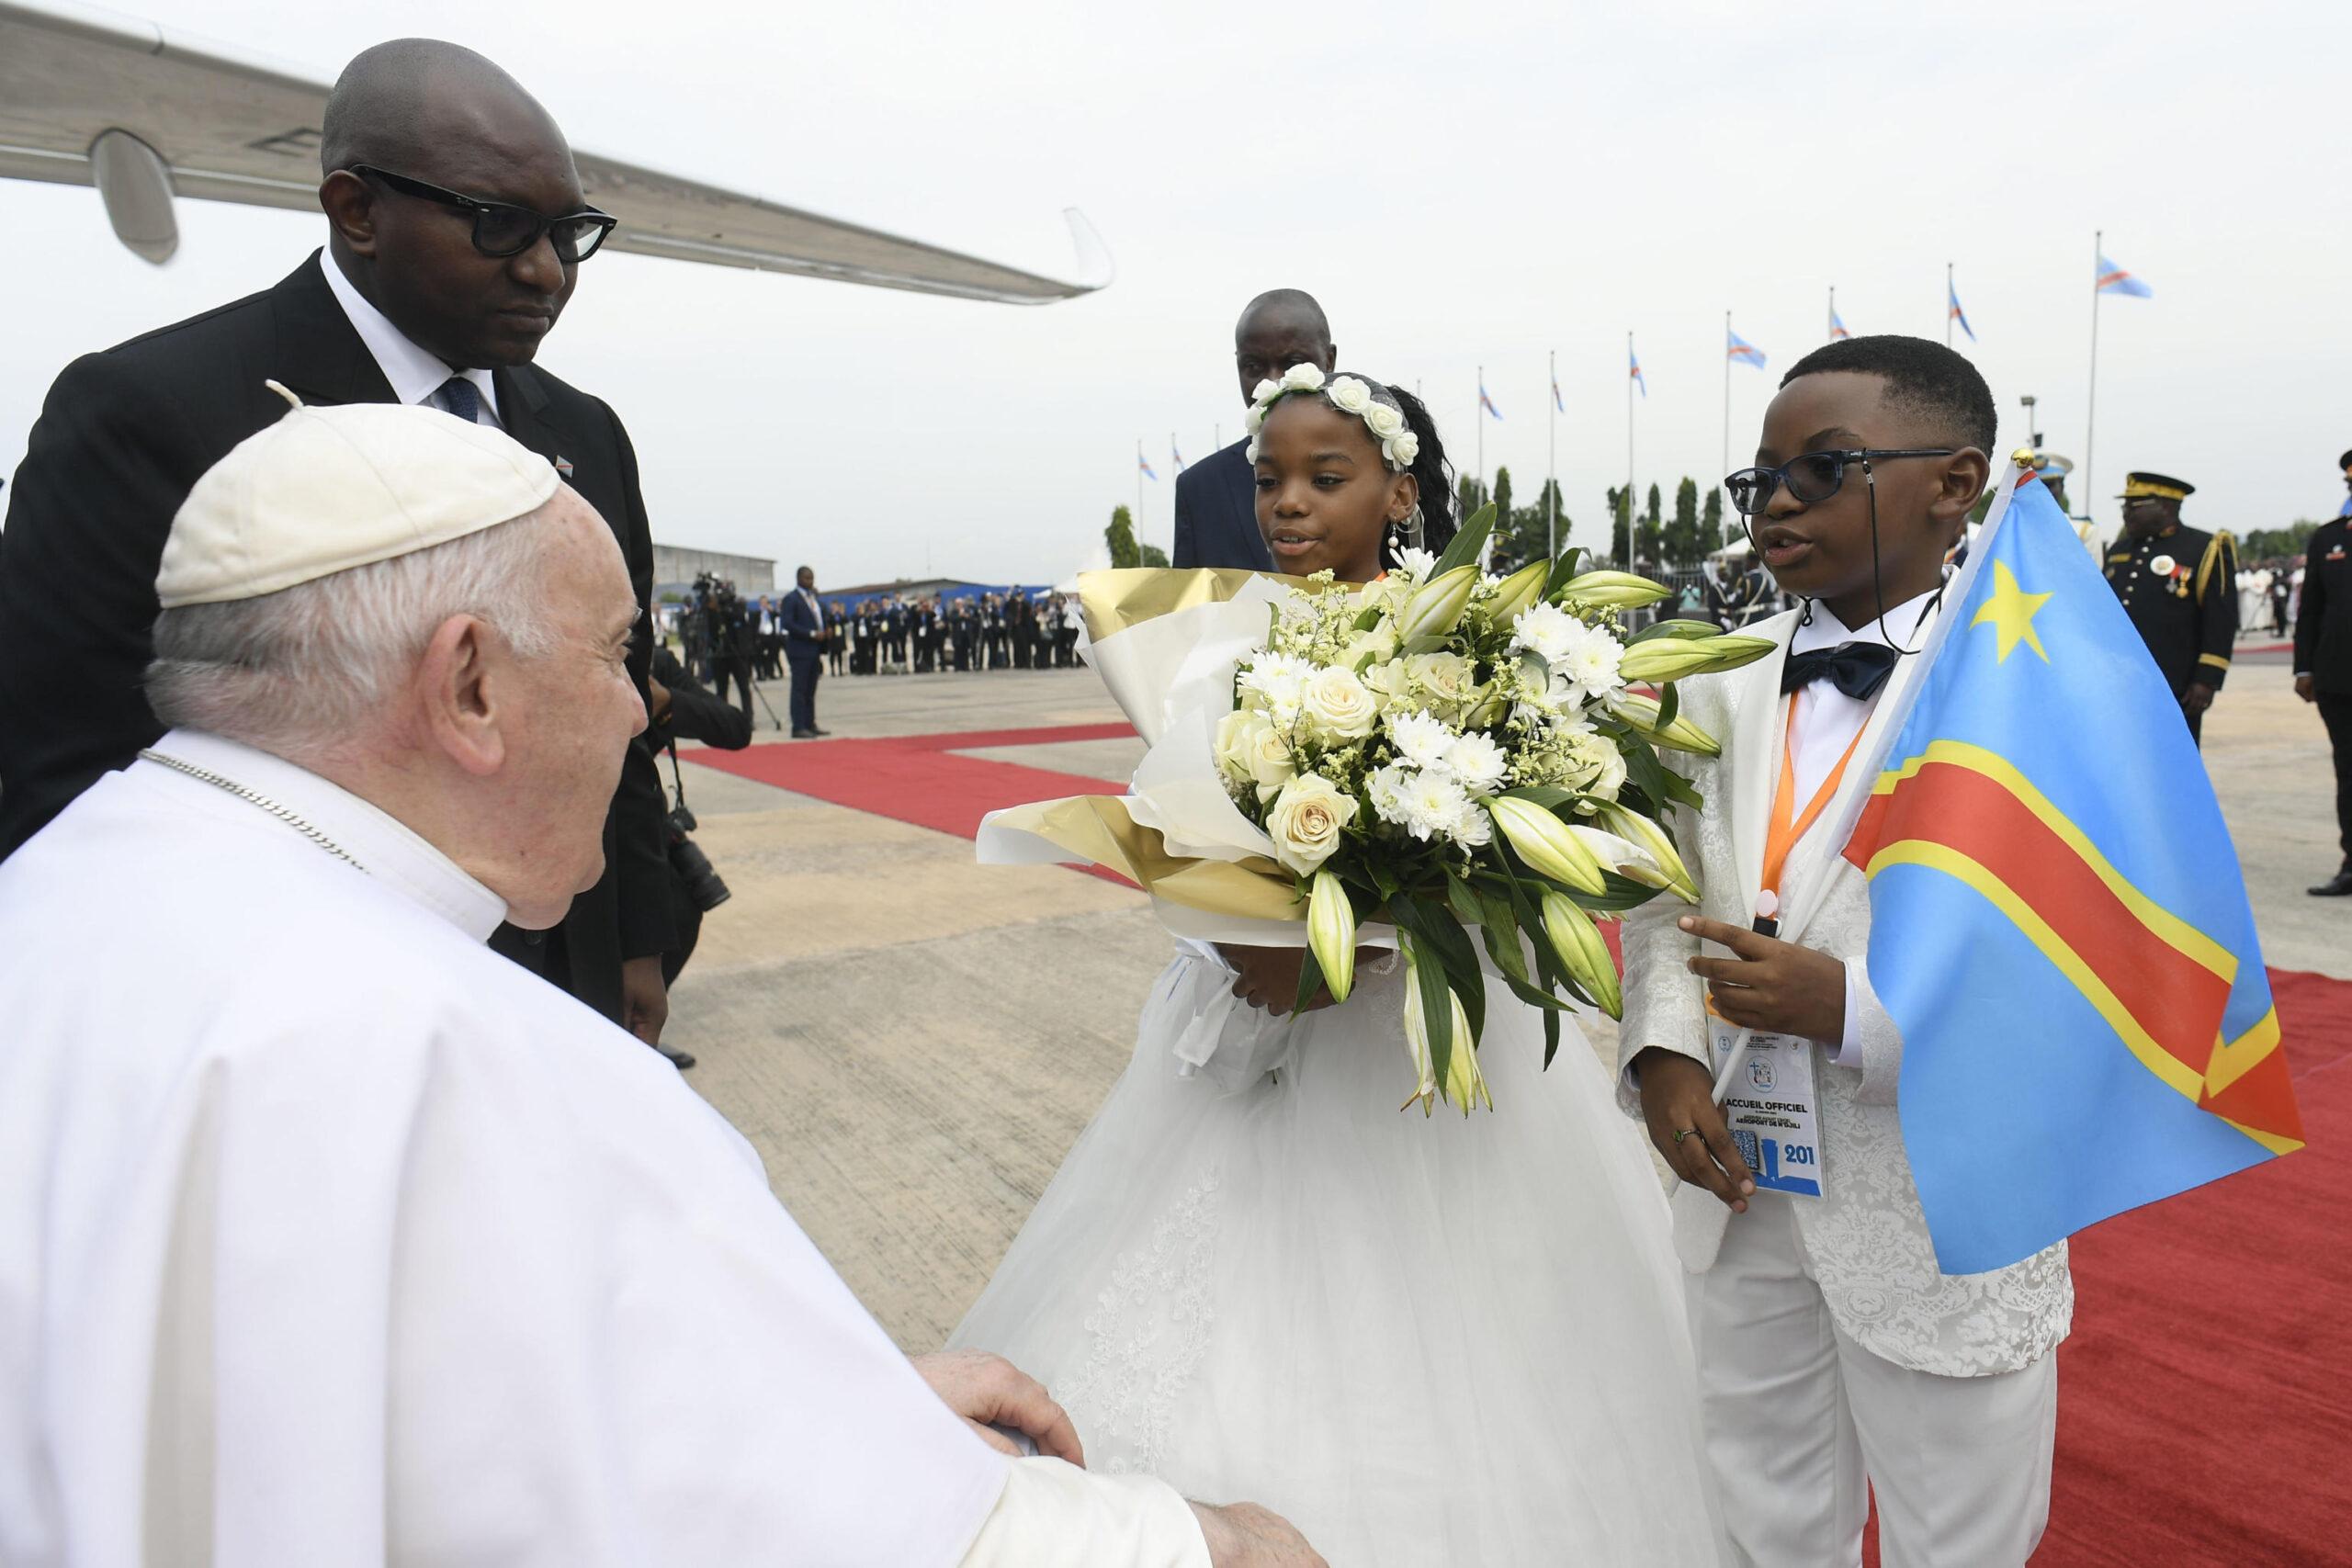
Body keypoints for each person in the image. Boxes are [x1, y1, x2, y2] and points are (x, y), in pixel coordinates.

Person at [0, 398, 1324, 1568]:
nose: (646, 707)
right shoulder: (486, 1059)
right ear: (467, 681)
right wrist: (1211, 1543)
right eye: (615, 653)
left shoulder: (68, 888)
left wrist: (840, 1392)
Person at [954, 371, 1725, 1565]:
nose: (1287, 505)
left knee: (1471, 1329)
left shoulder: (1479, 648)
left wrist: (1408, 919)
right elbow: (1180, 808)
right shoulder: (1222, 643)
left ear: (1401, 490)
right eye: (1269, 480)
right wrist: (1236, 935)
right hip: (1260, 1020)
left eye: (1325, 477)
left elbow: (1514, 836)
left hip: (1413, 1042)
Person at [0, 37, 677, 1047]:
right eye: (499, 227)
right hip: (285, 1019)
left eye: (569, 233)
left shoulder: (582, 433)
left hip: (553, 991)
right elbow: (63, 769)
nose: (546, 271)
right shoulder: (152, 414)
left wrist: (633, 935)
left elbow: (605, 711)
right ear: (358, 211)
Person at [1624, 336, 2072, 1567]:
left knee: (1959, 1528)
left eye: (1826, 467)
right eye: (1758, 475)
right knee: (1756, 1502)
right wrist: (1664, 1051)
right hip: (1742, 1173)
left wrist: (1857, 1007)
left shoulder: (2037, 682)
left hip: (1940, 1199)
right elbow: (1665, 897)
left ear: (1955, 480)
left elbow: (2081, 955)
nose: (1777, 501)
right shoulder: (1711, 686)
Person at [1172, 290, 1334, 570]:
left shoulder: (1375, 473)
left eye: (1292, 364)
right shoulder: (1200, 490)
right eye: (1253, 366)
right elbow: (1187, 611)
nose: (1270, 383)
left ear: (1329, 360)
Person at [2102, 472, 2237, 746]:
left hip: (2175, 682)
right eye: (2124, 506)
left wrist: (2207, 679)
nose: (2126, 513)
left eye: (2134, 506)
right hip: (2120, 682)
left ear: (2165, 506)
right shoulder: (2120, 549)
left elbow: (2220, 619)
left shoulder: (2203, 548)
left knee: (2173, 759)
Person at [2296, 465, 2352, 896]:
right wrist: (2304, 668)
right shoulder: (2329, 538)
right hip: (2339, 678)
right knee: (2348, 773)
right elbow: (2310, 609)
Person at [782, 563, 831, 738]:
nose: (810, 581)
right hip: (800, 650)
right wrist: (811, 633)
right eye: (807, 578)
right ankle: (798, 726)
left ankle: (810, 723)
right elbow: (787, 623)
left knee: (811, 690)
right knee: (799, 690)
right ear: (798, 579)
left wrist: (825, 630)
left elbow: (818, 618)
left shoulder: (813, 599)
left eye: (812, 578)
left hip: (814, 650)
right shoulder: (792, 599)